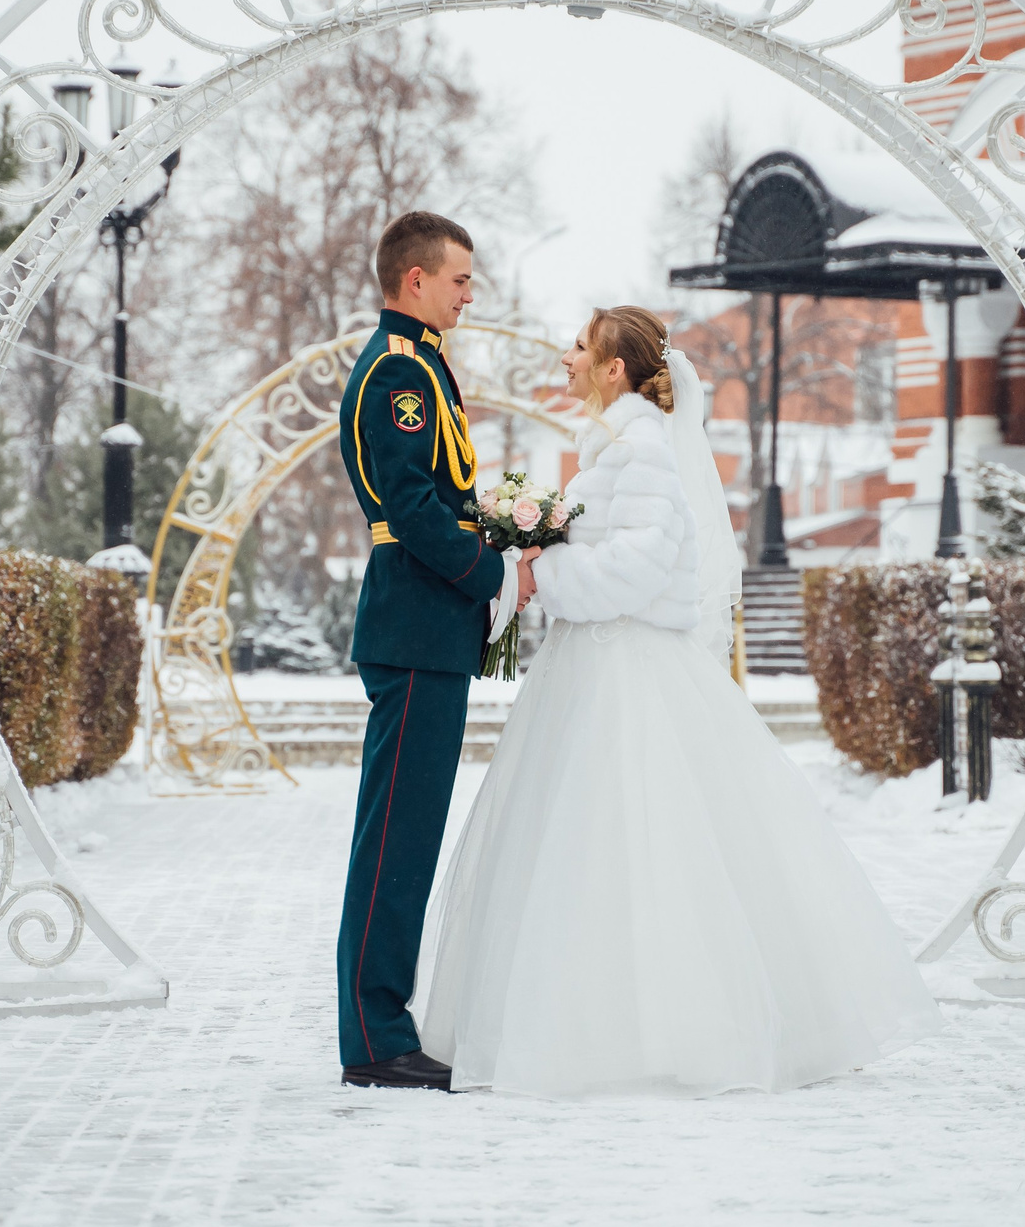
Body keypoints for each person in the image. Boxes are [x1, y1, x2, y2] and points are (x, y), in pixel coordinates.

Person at [416, 305, 944, 1096]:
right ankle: (596, 1021)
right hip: (588, 668)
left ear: (615, 369)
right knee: (585, 853)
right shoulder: (615, 451)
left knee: (650, 848)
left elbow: (634, 569)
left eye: (579, 346)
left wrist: (540, 576)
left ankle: (672, 1030)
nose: (566, 358)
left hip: (628, 671)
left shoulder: (646, 453)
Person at [331, 211, 533, 1091]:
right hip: (417, 624)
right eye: (458, 278)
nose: (469, 292)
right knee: (395, 845)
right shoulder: (400, 373)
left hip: (424, 629)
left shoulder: (418, 364)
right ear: (414, 280)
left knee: (404, 840)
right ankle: (376, 1038)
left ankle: (382, 1026)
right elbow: (413, 507)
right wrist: (488, 570)